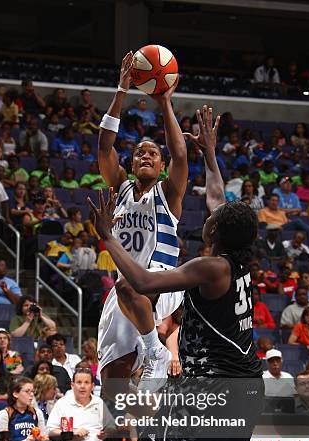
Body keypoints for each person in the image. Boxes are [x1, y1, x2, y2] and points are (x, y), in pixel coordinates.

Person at [79, 121, 309, 441]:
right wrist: (211, 155)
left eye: (211, 218)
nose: (205, 216)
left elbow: (144, 286)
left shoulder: (208, 267)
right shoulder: (237, 260)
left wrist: (108, 237)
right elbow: (218, 200)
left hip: (209, 390)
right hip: (245, 391)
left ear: (216, 233)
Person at [96, 51, 187, 399]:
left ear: (161, 165)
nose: (145, 155)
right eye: (139, 153)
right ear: (132, 164)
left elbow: (181, 156)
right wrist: (121, 91)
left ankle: (155, 351)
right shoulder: (120, 188)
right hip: (127, 288)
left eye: (152, 153)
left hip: (163, 278)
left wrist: (165, 102)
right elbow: (105, 147)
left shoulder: (168, 192)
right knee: (112, 376)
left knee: (130, 286)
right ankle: (130, 430)